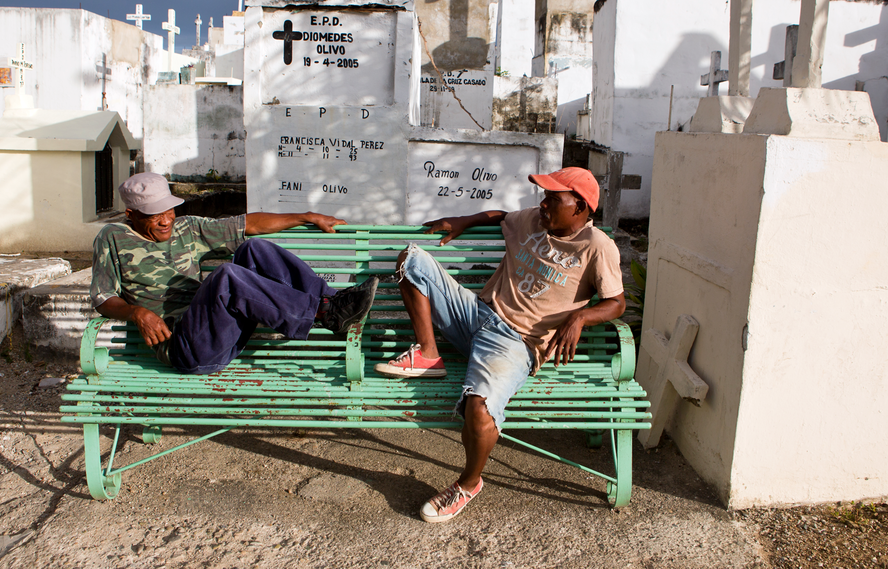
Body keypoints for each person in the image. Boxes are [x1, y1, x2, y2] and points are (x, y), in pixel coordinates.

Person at [374, 167, 625, 522]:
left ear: (581, 207)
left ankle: (468, 483)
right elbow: (502, 215)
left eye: (554, 198)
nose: (544, 204)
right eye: (544, 196)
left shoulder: (597, 247)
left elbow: (617, 302)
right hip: (477, 316)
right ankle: (428, 353)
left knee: (479, 412)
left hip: (516, 344)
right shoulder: (534, 221)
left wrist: (580, 317)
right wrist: (464, 219)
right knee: (411, 260)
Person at [90, 172, 378, 374]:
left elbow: (247, 225)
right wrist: (136, 313)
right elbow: (102, 298)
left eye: (169, 210)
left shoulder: (186, 227)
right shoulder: (112, 238)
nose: (166, 220)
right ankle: (323, 312)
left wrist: (307, 216)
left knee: (253, 249)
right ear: (131, 215)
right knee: (226, 277)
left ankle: (332, 307)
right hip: (186, 347)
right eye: (154, 214)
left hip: (221, 329)